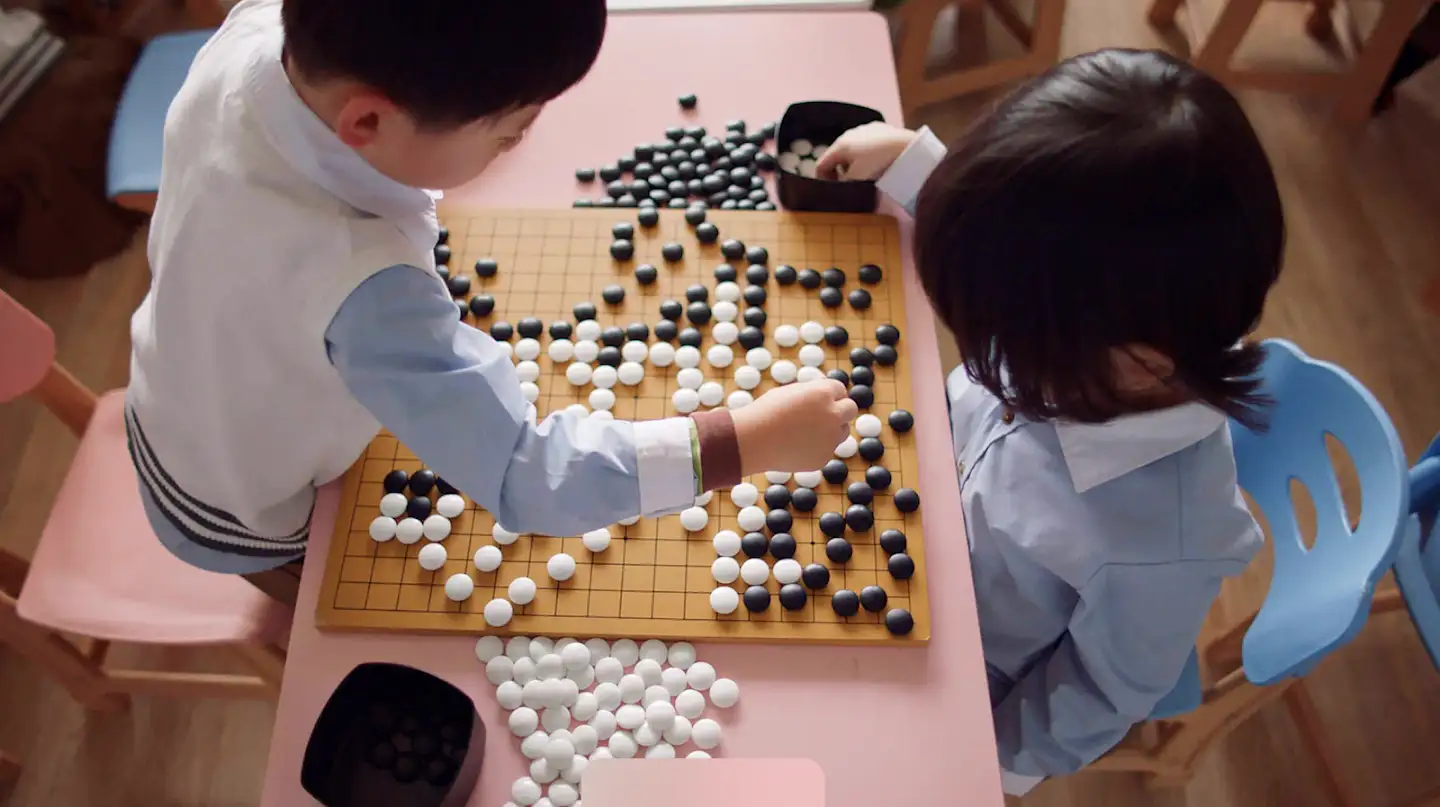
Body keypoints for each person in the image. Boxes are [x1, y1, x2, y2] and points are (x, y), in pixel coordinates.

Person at [126, 0, 856, 607]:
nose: (515, 144)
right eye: (506, 136)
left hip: (172, 381)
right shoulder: (363, 287)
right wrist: (747, 440)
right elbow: (524, 473)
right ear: (369, 124)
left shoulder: (254, 36)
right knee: (332, 628)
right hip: (236, 505)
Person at [817, 49, 1282, 783]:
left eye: (1009, 336)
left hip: (968, 665)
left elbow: (1097, 697)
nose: (993, 354)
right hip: (914, 521)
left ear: (1137, 355)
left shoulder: (1163, 544)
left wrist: (976, 765)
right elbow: (1039, 235)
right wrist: (917, 166)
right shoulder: (1095, 310)